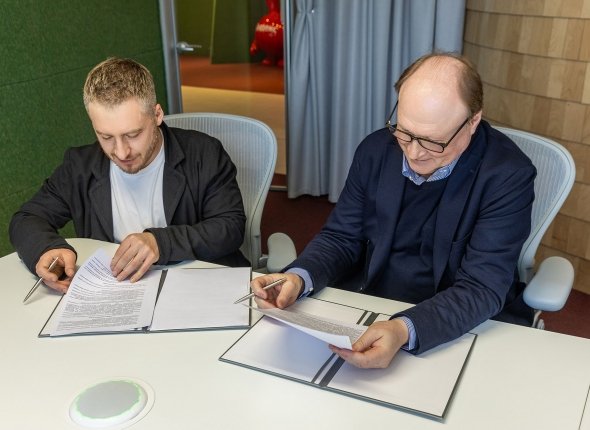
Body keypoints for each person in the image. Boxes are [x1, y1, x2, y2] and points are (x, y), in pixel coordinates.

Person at [251, 52, 536, 368]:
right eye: (404, 132)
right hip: (371, 303)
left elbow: (481, 287)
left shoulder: (507, 175)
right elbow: (341, 237)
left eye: (433, 142)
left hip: (455, 322)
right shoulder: (375, 150)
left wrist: (404, 329)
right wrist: (299, 277)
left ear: (472, 122)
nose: (414, 153)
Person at [10, 57, 248, 293]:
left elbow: (230, 226)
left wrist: (161, 243)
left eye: (133, 135)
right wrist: (46, 249)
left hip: (196, 288)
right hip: (118, 293)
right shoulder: (79, 166)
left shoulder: (204, 153)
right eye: (106, 137)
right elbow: (27, 218)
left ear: (157, 115)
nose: (121, 152)